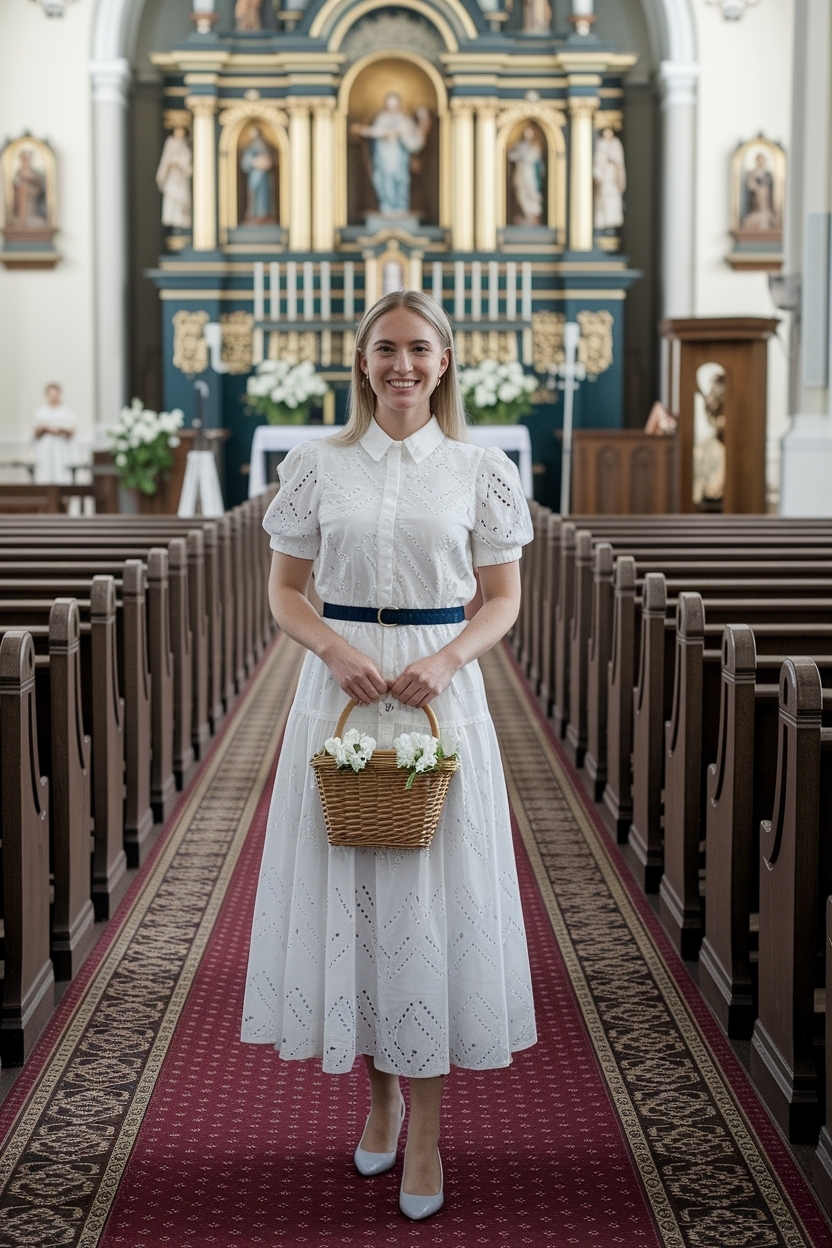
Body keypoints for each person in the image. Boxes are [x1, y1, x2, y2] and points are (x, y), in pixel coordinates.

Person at [241, 289, 537, 1221]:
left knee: (432, 900)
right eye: (385, 351)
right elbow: (288, 593)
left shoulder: (478, 469)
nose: (402, 366)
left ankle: (429, 1134)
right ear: (360, 361)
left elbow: (501, 599)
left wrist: (447, 658)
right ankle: (375, 1099)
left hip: (441, 692)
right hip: (341, 689)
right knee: (355, 891)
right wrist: (332, 649)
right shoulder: (316, 467)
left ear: (445, 362)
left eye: (419, 350)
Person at [353, 94, 431, 215]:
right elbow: (375, 132)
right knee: (385, 181)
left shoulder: (404, 119)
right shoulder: (381, 118)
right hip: (384, 157)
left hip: (400, 159)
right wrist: (367, 131)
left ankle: (401, 207)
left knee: (401, 181)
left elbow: (414, 141)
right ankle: (386, 207)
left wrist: (405, 130)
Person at [33, 382, 77, 485]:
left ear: (59, 394)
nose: (53, 398)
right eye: (50, 395)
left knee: (62, 475)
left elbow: (71, 431)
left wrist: (59, 430)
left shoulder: (66, 412)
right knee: (45, 475)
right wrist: (47, 430)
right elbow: (37, 432)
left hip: (62, 451)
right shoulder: (40, 412)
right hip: (45, 450)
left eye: (55, 394)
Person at [155, 126, 192, 229]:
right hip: (173, 176)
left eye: (181, 131)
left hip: (181, 177)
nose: (179, 133)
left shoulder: (186, 144)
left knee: (182, 200)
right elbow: (166, 159)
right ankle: (174, 221)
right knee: (172, 199)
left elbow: (187, 160)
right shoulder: (170, 143)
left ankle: (182, 222)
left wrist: (181, 165)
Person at [508, 126, 544, 225]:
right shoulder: (521, 145)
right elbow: (511, 156)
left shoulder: (535, 146)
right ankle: (525, 215)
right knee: (521, 194)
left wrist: (520, 155)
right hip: (521, 173)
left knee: (532, 193)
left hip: (530, 173)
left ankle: (533, 216)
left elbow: (531, 158)